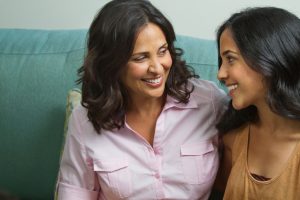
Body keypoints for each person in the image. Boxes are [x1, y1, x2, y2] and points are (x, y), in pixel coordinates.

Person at [57, 0, 227, 199]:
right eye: (140, 58)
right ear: (112, 64)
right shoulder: (85, 122)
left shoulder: (210, 103)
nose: (157, 67)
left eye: (162, 51)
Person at [213, 7, 300, 199]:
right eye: (222, 61)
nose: (220, 74)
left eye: (230, 59)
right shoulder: (234, 138)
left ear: (271, 57)